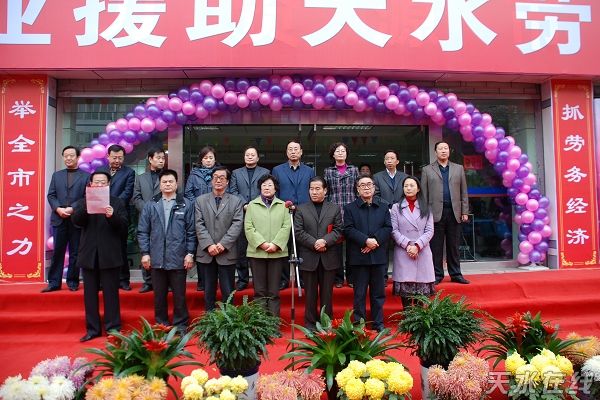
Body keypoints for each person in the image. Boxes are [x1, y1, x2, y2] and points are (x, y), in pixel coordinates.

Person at [71, 171, 128, 342]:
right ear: (90, 184)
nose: (99, 184)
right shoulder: (83, 202)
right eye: (96, 182)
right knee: (89, 295)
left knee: (111, 294)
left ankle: (113, 328)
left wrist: (112, 216)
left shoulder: (117, 202)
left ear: (108, 184)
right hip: (89, 255)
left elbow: (123, 227)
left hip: (109, 255)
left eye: (103, 182)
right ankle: (92, 329)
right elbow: (76, 221)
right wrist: (87, 208)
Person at [137, 169, 196, 333]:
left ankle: (181, 325)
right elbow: (143, 231)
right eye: (164, 182)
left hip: (178, 257)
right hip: (156, 257)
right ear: (160, 185)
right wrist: (145, 253)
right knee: (159, 296)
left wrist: (190, 253)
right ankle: (161, 325)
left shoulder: (186, 204)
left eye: (171, 181)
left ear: (176, 184)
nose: (168, 184)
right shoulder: (151, 205)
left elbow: (191, 232)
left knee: (179, 295)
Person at [343, 174, 392, 332]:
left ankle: (378, 323)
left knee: (378, 294)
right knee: (359, 293)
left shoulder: (383, 207)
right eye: (362, 185)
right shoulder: (350, 208)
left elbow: (388, 228)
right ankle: (360, 324)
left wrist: (374, 241)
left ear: (374, 188)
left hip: (378, 256)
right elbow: (348, 229)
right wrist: (365, 241)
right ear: (357, 189)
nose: (366, 187)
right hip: (359, 257)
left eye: (369, 184)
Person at [294, 176, 343, 330]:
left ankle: (326, 324)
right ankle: (310, 323)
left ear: (325, 190)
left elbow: (338, 230)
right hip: (309, 256)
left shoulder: (334, 208)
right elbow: (298, 231)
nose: (314, 192)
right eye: (311, 189)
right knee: (310, 294)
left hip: (328, 256)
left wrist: (324, 241)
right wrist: (314, 243)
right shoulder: (301, 209)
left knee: (327, 294)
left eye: (317, 189)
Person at [195, 167, 244, 311]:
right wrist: (209, 245)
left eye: (222, 178)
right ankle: (209, 317)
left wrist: (223, 244)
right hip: (207, 253)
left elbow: (237, 224)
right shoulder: (200, 200)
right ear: (211, 180)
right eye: (215, 177)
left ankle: (228, 318)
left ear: (227, 182)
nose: (218, 180)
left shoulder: (236, 201)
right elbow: (198, 224)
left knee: (228, 290)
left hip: (227, 252)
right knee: (208, 290)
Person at [421, 141, 470, 285]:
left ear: (449, 151)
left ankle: (456, 274)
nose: (443, 151)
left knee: (453, 246)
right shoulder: (427, 170)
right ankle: (437, 274)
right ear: (435, 152)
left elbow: (464, 191)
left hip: (454, 212)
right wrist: (425, 213)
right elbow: (423, 194)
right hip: (434, 213)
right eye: (440, 149)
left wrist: (465, 211)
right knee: (436, 246)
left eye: (446, 148)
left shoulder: (458, 168)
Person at [244, 174, 291, 323]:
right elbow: (248, 227)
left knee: (274, 291)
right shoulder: (252, 205)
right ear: (260, 188)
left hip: (277, 253)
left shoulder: (283, 206)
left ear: (275, 188)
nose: (266, 188)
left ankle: (273, 324)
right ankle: (260, 325)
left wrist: (275, 244)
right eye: (264, 185)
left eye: (270, 185)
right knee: (259, 291)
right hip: (257, 253)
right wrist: (262, 244)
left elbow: (286, 226)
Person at [43, 146, 89, 293]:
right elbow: (51, 195)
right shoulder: (57, 175)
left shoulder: (86, 176)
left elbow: (87, 197)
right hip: (59, 218)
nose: (68, 158)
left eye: (71, 155)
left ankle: (73, 281)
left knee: (75, 252)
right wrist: (58, 209)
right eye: (66, 156)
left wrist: (72, 208)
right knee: (58, 251)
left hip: (76, 219)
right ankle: (54, 282)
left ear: (78, 157)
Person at [272, 140, 315, 289]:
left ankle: (301, 278)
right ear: (286, 152)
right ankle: (284, 279)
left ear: (301, 152)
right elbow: (275, 192)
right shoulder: (277, 170)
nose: (293, 151)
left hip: (304, 213)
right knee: (284, 246)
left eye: (296, 149)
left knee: (303, 246)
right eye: (290, 149)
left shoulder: (309, 171)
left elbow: (312, 191)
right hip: (284, 213)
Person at [390, 176, 436, 309]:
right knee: (406, 295)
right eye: (406, 186)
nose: (408, 188)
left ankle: (419, 320)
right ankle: (407, 318)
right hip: (403, 252)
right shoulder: (396, 207)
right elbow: (394, 230)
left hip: (422, 251)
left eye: (412, 185)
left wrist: (417, 245)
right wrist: (408, 245)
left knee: (421, 296)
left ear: (418, 188)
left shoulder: (426, 207)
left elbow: (430, 230)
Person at [229, 146, 270, 291]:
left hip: (260, 212)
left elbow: (267, 190)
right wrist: (244, 204)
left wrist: (254, 204)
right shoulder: (236, 173)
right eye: (247, 155)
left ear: (258, 157)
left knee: (259, 245)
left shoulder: (265, 172)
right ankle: (242, 279)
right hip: (241, 212)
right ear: (244, 157)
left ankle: (260, 279)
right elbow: (233, 191)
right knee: (241, 248)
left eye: (253, 155)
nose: (250, 157)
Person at [99, 144, 135, 291]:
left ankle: (123, 279)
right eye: (114, 157)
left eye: (120, 158)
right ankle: (103, 280)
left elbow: (127, 193)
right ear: (108, 156)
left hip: (120, 214)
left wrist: (113, 206)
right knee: (103, 248)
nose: (117, 160)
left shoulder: (129, 172)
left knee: (121, 248)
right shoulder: (99, 172)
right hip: (101, 214)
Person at [323, 142, 359, 288]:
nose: (340, 153)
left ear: (346, 154)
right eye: (337, 151)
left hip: (352, 211)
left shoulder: (354, 170)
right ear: (333, 154)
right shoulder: (328, 171)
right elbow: (326, 193)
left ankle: (351, 278)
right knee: (335, 248)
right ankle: (338, 278)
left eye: (343, 151)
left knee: (352, 247)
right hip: (334, 211)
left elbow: (358, 190)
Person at [132, 148, 166, 293]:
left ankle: (165, 281)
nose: (161, 160)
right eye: (158, 157)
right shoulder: (140, 178)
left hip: (164, 217)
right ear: (150, 159)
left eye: (163, 158)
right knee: (145, 249)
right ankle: (148, 281)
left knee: (164, 248)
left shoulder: (167, 176)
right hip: (145, 218)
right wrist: (147, 209)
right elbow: (136, 197)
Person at [185, 145, 218, 292]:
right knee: (202, 249)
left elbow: (226, 192)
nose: (208, 160)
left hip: (217, 214)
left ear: (215, 159)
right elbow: (188, 193)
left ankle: (214, 281)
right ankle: (201, 281)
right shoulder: (194, 175)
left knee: (216, 246)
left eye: (211, 157)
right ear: (201, 160)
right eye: (205, 158)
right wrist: (199, 206)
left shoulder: (219, 173)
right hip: (198, 215)